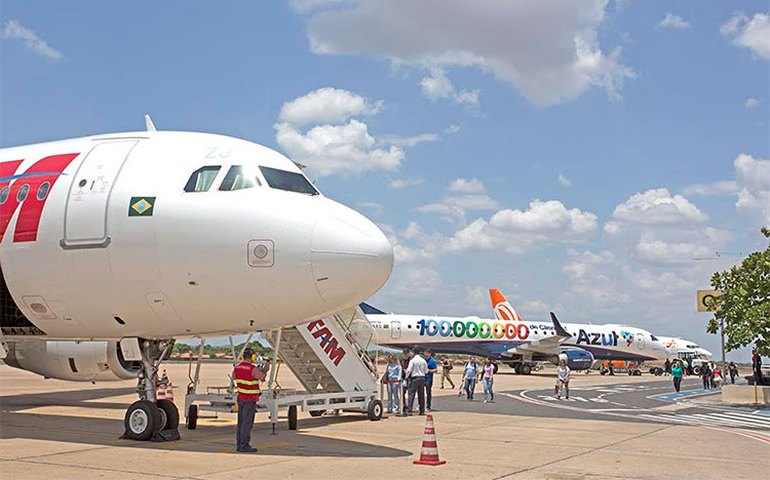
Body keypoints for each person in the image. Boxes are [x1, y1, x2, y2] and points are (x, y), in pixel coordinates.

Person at [233, 347, 269, 453]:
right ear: (253, 357)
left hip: (241, 397)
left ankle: (239, 444)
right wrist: (265, 370)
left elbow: (234, 377)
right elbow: (261, 377)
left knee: (241, 422)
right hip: (250, 399)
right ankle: (244, 445)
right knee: (247, 423)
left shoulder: (237, 367)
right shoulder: (252, 368)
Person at [405, 349, 428, 415]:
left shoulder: (412, 360)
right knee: (421, 395)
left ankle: (409, 410)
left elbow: (409, 370)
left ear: (413, 353)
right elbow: (426, 371)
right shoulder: (423, 360)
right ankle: (422, 411)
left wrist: (406, 377)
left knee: (411, 394)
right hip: (422, 378)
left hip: (415, 378)